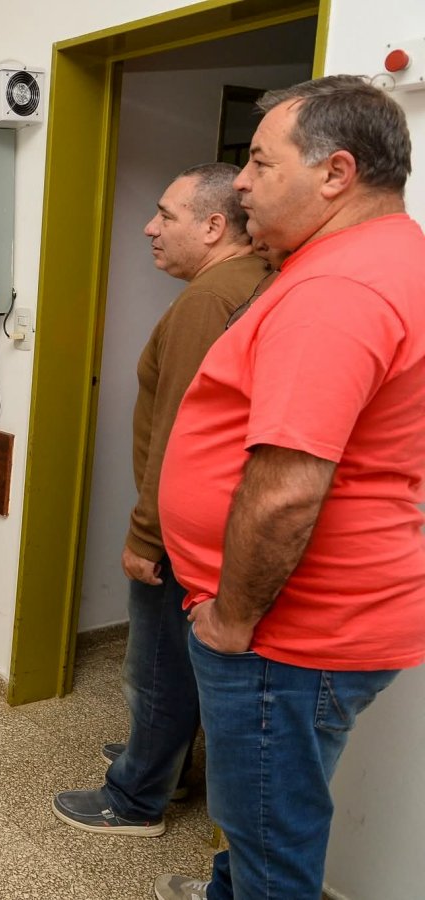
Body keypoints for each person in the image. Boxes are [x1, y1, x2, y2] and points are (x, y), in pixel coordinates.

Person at [155, 75, 425, 900]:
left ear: (336, 173)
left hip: (282, 635)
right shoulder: (385, 256)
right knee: (259, 816)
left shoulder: (337, 289)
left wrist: (231, 620)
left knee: (273, 841)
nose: (240, 182)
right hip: (315, 625)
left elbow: (285, 491)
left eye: (261, 163)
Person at [52, 164, 268, 837]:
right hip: (221, 525)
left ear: (213, 226)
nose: (150, 227)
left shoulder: (210, 300)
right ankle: (162, 764)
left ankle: (137, 796)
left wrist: (145, 535)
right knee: (179, 661)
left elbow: (181, 432)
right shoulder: (253, 280)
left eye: (166, 215)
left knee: (156, 667)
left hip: (181, 529)